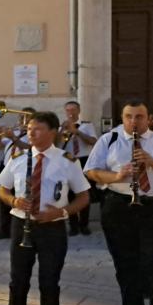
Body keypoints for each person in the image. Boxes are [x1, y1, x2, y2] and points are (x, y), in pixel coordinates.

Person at [0, 111, 90, 305]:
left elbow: (83, 197)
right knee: (18, 280)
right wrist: (14, 201)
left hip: (53, 227)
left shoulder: (68, 161)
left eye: (36, 129)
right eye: (29, 129)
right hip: (21, 225)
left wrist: (61, 213)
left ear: (52, 132)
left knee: (49, 282)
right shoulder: (18, 157)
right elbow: (2, 190)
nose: (30, 133)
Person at [85, 100, 153, 305]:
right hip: (119, 205)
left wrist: (151, 162)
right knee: (125, 263)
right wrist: (116, 175)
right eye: (129, 116)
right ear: (122, 117)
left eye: (139, 116)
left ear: (148, 118)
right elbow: (91, 171)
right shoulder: (109, 139)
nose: (134, 121)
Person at [0, 108, 35, 240]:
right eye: (21, 117)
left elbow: (30, 149)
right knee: (4, 199)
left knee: (20, 200)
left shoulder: (31, 135)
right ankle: (5, 230)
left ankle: (20, 230)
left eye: (26, 117)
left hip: (22, 170)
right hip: (6, 168)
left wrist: (13, 137)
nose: (23, 120)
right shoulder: (15, 132)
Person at [59, 101, 98, 236]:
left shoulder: (87, 125)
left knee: (84, 193)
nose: (71, 113)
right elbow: (57, 145)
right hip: (68, 161)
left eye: (73, 109)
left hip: (83, 160)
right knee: (69, 195)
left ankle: (84, 225)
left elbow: (93, 141)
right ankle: (73, 225)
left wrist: (76, 131)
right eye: (68, 110)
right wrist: (61, 132)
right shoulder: (62, 127)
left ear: (79, 110)